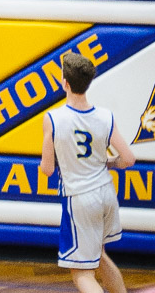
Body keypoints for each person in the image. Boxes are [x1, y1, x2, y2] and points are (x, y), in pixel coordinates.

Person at [41, 52, 135, 293]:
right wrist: (108, 163)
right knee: (100, 256)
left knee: (82, 274)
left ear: (65, 83)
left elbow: (48, 169)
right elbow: (128, 159)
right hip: (106, 193)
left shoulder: (53, 118)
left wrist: (45, 166)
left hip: (79, 198)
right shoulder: (106, 116)